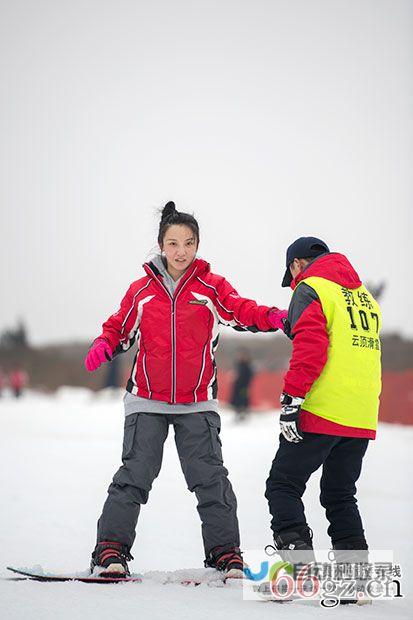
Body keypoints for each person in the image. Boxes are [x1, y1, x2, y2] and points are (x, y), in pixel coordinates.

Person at [85, 202, 286, 578]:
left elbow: (240, 310)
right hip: (146, 399)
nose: (181, 251)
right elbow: (119, 328)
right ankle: (110, 550)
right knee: (135, 475)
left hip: (197, 402)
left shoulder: (211, 287)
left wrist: (273, 316)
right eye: (173, 243)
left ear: (197, 245)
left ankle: (226, 554)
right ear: (162, 244)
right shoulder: (141, 290)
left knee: (211, 480)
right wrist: (104, 344)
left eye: (189, 243)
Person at [265, 237, 382, 572]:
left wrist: (292, 399)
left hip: (321, 408)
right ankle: (355, 579)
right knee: (340, 493)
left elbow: (311, 348)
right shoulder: (364, 297)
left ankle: (299, 572)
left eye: (292, 274)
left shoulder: (310, 288)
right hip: (360, 413)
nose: (293, 283)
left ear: (297, 264)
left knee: (283, 484)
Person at [230, 348, 254, 422]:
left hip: (244, 386)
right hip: (237, 386)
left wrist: (246, 385)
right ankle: (238, 415)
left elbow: (249, 376)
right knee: (236, 401)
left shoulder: (248, 365)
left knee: (243, 400)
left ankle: (244, 416)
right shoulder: (238, 364)